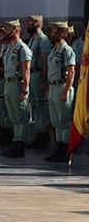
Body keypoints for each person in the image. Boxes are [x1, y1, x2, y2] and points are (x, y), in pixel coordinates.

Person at [45, 21, 76, 163]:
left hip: (63, 87)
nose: (51, 34)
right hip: (53, 87)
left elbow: (71, 72)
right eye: (51, 31)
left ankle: (66, 150)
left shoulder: (67, 50)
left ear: (63, 33)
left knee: (64, 120)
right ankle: (58, 148)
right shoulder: (54, 50)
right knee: (55, 120)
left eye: (55, 31)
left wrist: (66, 90)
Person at [1, 20, 32, 158]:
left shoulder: (22, 48)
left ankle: (20, 144)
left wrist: (25, 90)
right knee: (13, 116)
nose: (5, 30)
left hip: (17, 84)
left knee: (21, 116)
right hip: (8, 84)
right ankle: (15, 141)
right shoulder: (8, 48)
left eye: (8, 28)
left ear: (16, 30)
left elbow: (26, 71)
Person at [26, 15, 52, 149]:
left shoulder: (43, 39)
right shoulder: (32, 39)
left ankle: (43, 135)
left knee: (41, 106)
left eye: (30, 22)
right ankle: (38, 132)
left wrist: (43, 80)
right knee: (35, 106)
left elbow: (46, 61)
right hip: (32, 74)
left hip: (39, 74)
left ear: (37, 23)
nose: (27, 25)